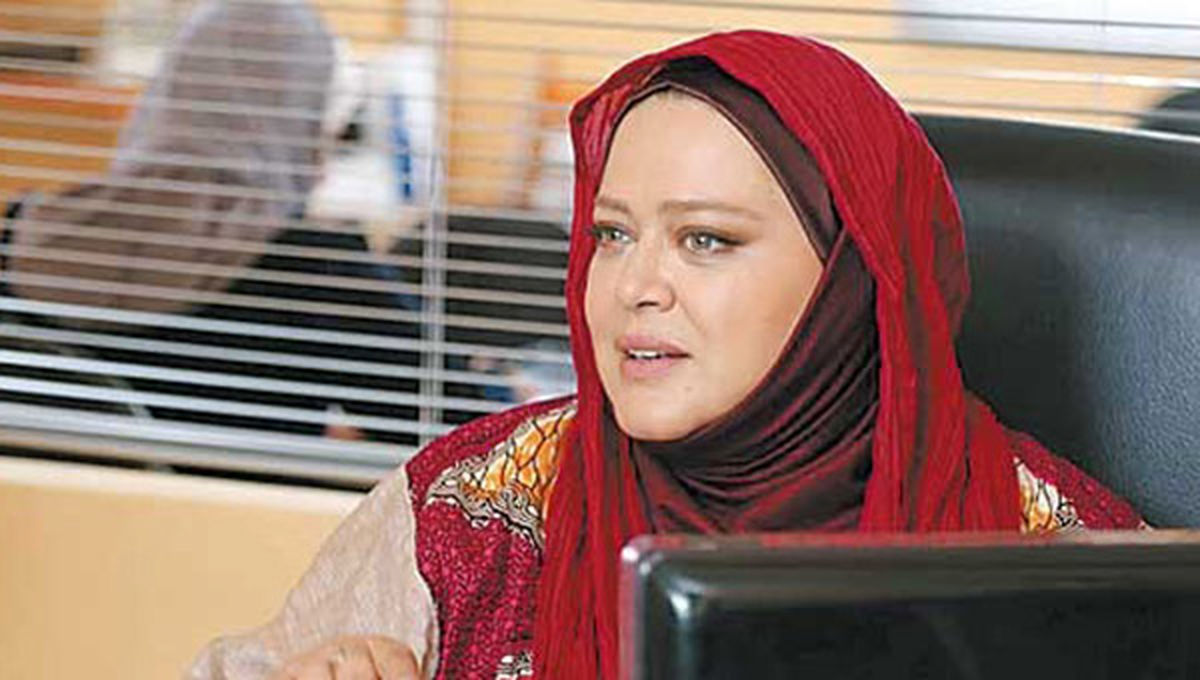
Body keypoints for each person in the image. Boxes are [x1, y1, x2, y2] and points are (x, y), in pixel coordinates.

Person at [188, 30, 1143, 680]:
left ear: (855, 280)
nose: (634, 286)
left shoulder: (1062, 562)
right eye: (611, 234)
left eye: (705, 240)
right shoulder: (461, 515)